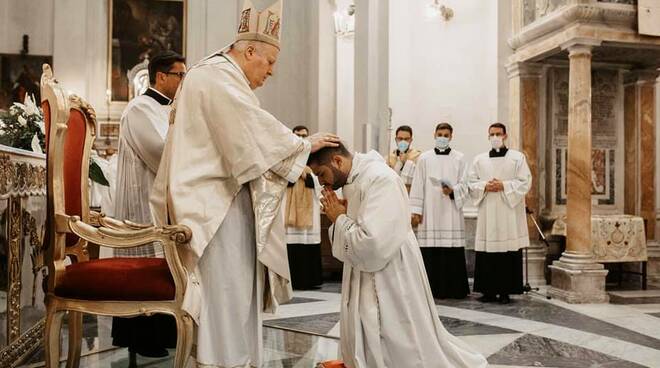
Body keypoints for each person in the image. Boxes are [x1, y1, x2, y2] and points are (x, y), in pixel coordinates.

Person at [149, 1, 339, 366]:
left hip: (223, 200)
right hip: (213, 209)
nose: (271, 73)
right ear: (250, 50)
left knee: (237, 294)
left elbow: (248, 133)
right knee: (227, 295)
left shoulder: (220, 76)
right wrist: (305, 143)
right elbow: (251, 134)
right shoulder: (215, 77)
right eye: (268, 62)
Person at [308, 143, 487, 368]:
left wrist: (340, 219)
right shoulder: (355, 179)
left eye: (321, 174)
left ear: (337, 161)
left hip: (390, 271)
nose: (322, 181)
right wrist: (342, 216)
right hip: (365, 267)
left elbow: (373, 244)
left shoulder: (381, 179)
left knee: (399, 337)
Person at [111, 51, 186, 360]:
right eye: (180, 75)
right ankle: (141, 338)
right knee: (144, 268)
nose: (184, 80)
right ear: (161, 77)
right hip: (141, 202)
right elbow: (158, 152)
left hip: (160, 200)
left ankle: (165, 333)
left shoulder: (167, 109)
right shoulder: (140, 108)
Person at [468, 122, 531, 304]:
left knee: (506, 250)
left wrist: (503, 185)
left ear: (505, 136)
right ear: (488, 137)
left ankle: (506, 291)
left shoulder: (517, 158)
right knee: (488, 250)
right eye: (492, 134)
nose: (495, 137)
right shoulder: (480, 159)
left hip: (507, 212)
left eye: (498, 134)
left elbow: (525, 181)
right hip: (488, 208)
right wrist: (485, 185)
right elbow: (471, 182)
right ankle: (488, 291)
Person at [409, 122, 470, 299]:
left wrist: (453, 191)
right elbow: (418, 185)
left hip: (451, 211)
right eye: (439, 134)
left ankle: (454, 289)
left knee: (451, 250)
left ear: (451, 137)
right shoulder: (424, 158)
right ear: (434, 135)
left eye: (446, 135)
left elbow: (465, 185)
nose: (442, 137)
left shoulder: (459, 158)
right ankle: (430, 289)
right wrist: (416, 211)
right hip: (429, 212)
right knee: (430, 251)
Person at [285, 125, 323, 289]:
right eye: (298, 136)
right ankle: (291, 279)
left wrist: (308, 175)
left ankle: (310, 279)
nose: (301, 138)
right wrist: (296, 173)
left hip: (310, 207)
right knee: (290, 242)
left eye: (304, 136)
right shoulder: (287, 156)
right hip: (289, 206)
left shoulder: (314, 157)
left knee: (309, 240)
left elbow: (320, 179)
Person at [386, 125, 420, 190]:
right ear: (396, 139)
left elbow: (419, 179)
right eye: (400, 139)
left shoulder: (417, 156)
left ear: (411, 140)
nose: (403, 142)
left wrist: (406, 162)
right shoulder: (389, 158)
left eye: (406, 139)